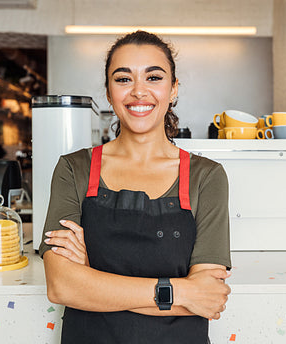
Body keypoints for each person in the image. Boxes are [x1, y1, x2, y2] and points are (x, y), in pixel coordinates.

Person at [40, 30, 231, 344]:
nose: (139, 92)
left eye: (154, 77)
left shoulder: (206, 176)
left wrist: (92, 278)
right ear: (108, 90)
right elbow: (62, 287)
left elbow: (208, 298)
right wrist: (181, 291)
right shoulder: (74, 169)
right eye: (123, 79)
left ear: (173, 90)